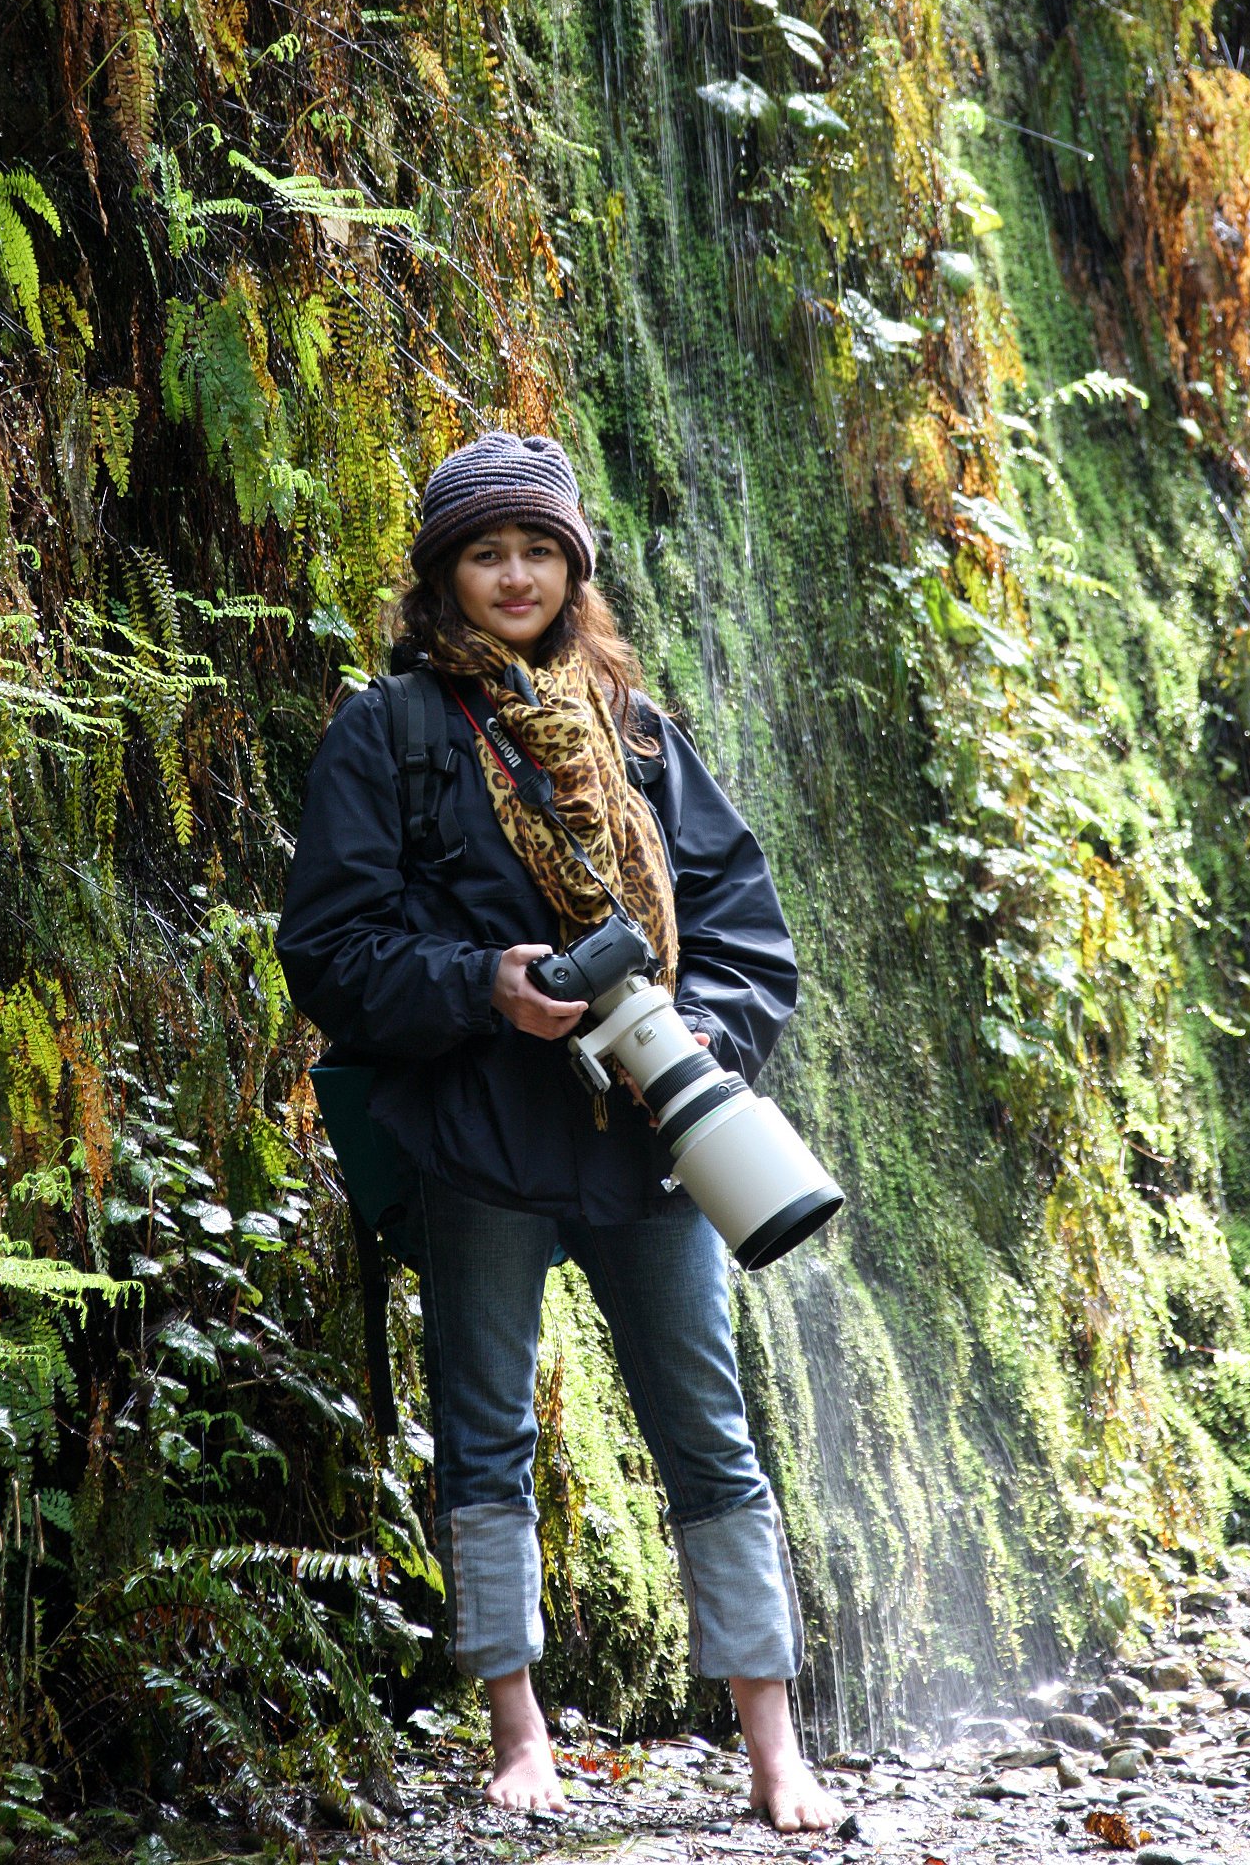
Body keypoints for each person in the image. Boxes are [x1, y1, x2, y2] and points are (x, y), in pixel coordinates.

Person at [277, 431, 841, 1831]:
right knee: (484, 1433)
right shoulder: (390, 730)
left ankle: (774, 1744)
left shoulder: (638, 733)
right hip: (477, 1130)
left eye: (537, 551)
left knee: (708, 1429)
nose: (514, 574)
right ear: (445, 578)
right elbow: (331, 949)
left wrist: (704, 1033)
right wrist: (486, 988)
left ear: (575, 570)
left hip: (654, 1141)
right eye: (486, 552)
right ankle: (515, 1727)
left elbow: (745, 935)